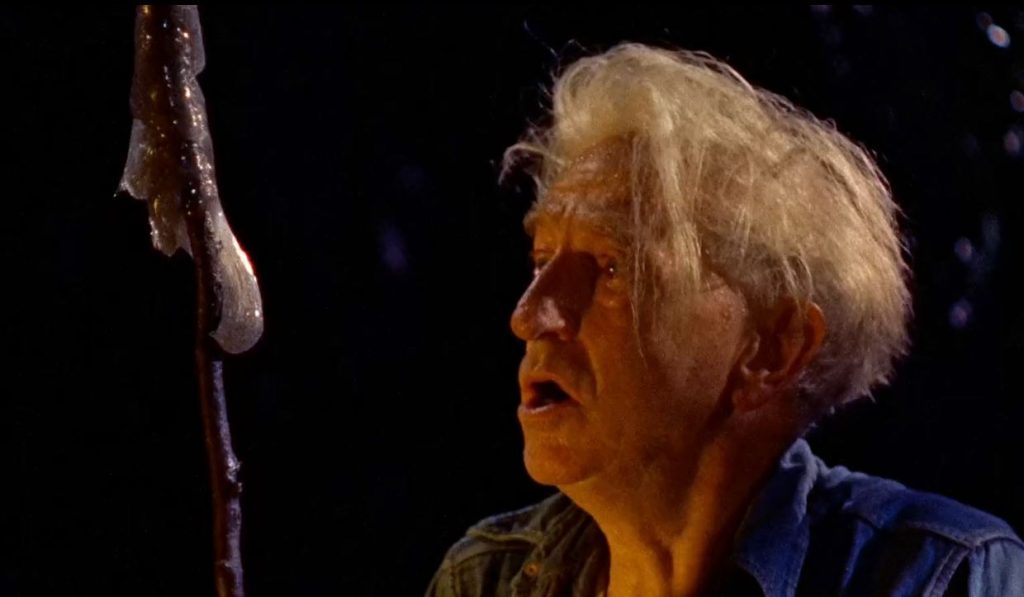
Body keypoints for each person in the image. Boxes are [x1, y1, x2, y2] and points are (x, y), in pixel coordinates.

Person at [426, 43, 1023, 596]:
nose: (530, 315)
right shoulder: (487, 578)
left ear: (774, 349)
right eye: (541, 261)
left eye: (612, 267)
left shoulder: (938, 577)